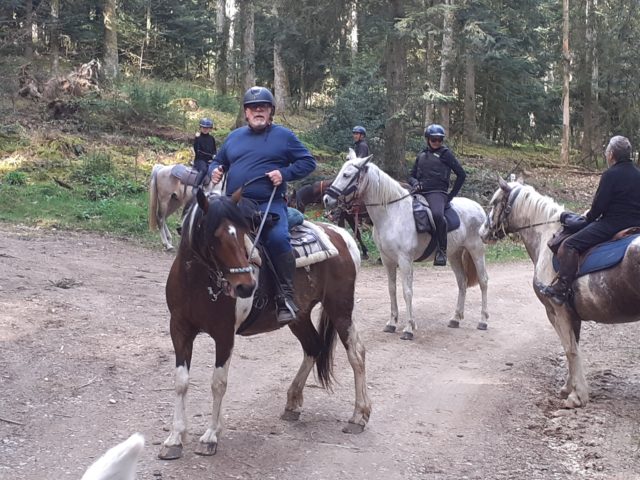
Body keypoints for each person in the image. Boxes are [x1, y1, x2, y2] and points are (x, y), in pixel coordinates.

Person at [211, 86, 316, 325]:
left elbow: (308, 162)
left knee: (278, 239)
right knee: (208, 231)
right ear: (246, 113)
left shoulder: (284, 136)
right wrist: (214, 170)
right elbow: (218, 161)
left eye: (263, 107)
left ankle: (285, 297)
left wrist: (284, 173)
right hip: (234, 204)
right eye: (253, 108)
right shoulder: (234, 137)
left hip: (269, 204)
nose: (258, 111)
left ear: (271, 112)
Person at [540, 135, 640, 304]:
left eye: (607, 153)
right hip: (636, 225)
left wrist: (585, 220)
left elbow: (598, 209)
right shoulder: (638, 174)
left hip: (612, 224)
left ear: (611, 155)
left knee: (570, 244)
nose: (606, 155)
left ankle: (562, 288)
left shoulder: (610, 175)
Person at [408, 124, 466, 267]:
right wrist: (415, 183)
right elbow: (411, 175)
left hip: (437, 193)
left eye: (439, 140)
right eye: (433, 139)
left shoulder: (446, 154)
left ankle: (441, 251)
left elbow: (461, 174)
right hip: (419, 192)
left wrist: (451, 195)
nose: (437, 142)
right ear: (428, 139)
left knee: (437, 215)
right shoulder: (421, 155)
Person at [193, 117, 217, 191]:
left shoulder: (212, 138)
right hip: (200, 160)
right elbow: (198, 151)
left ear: (210, 129)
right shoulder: (198, 138)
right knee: (204, 169)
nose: (205, 129)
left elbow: (214, 150)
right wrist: (210, 156)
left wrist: (214, 156)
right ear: (200, 128)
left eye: (207, 128)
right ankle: (195, 187)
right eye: (203, 127)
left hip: (210, 160)